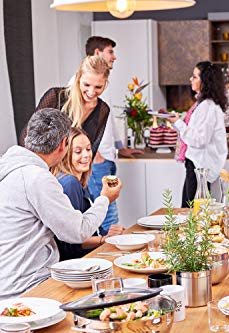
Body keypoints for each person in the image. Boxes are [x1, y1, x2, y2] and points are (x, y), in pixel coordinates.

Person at [0, 109, 122, 300]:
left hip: (7, 282)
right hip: (28, 286)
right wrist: (105, 198)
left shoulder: (9, 168)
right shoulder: (37, 178)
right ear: (64, 145)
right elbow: (78, 231)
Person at [83, 36, 143, 235]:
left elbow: (108, 119)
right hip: (97, 161)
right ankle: (110, 261)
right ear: (98, 53)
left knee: (108, 213)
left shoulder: (102, 84)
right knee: (108, 217)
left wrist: (120, 146)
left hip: (106, 158)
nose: (114, 57)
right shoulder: (86, 83)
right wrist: (94, 154)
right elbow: (77, 124)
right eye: (110, 51)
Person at [51, 128, 125, 260]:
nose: (86, 155)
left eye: (89, 149)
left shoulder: (79, 181)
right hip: (77, 264)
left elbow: (85, 227)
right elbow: (71, 242)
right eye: (78, 151)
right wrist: (103, 239)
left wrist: (107, 234)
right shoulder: (70, 183)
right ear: (65, 154)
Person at [166, 61, 228, 208]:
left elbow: (200, 139)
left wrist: (178, 123)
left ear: (205, 82)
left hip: (199, 167)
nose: (190, 79)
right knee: (192, 210)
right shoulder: (203, 104)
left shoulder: (207, 106)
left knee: (190, 213)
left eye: (194, 77)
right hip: (198, 165)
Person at [34, 55, 110, 158]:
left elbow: (91, 150)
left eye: (98, 87)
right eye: (86, 85)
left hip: (75, 170)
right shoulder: (56, 97)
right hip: (45, 165)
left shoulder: (103, 110)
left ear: (105, 84)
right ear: (78, 79)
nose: (91, 92)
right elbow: (30, 136)